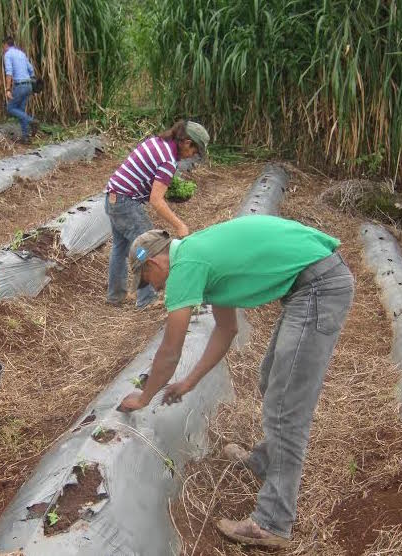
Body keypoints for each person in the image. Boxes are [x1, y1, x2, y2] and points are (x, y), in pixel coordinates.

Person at [117, 214, 355, 548]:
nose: (154, 288)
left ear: (155, 261)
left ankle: (273, 522)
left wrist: (144, 397)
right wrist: (190, 382)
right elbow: (226, 329)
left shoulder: (186, 265)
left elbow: (171, 350)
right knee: (272, 378)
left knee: (287, 406)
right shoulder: (201, 256)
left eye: (148, 279)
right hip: (310, 283)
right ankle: (265, 460)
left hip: (319, 287)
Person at [105, 120, 209, 308]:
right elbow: (156, 200)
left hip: (113, 197)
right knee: (148, 247)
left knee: (120, 248)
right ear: (186, 142)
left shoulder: (158, 142)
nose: (193, 155)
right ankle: (146, 299)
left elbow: (150, 179)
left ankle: (116, 295)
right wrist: (180, 225)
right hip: (126, 203)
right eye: (195, 150)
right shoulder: (168, 159)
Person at [2, 36, 38, 143]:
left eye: (3, 46)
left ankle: (31, 121)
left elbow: (9, 72)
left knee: (10, 108)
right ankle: (25, 137)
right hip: (29, 85)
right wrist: (31, 82)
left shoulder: (8, 54)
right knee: (21, 111)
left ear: (5, 45)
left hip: (20, 85)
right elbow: (31, 69)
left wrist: (8, 89)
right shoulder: (21, 54)